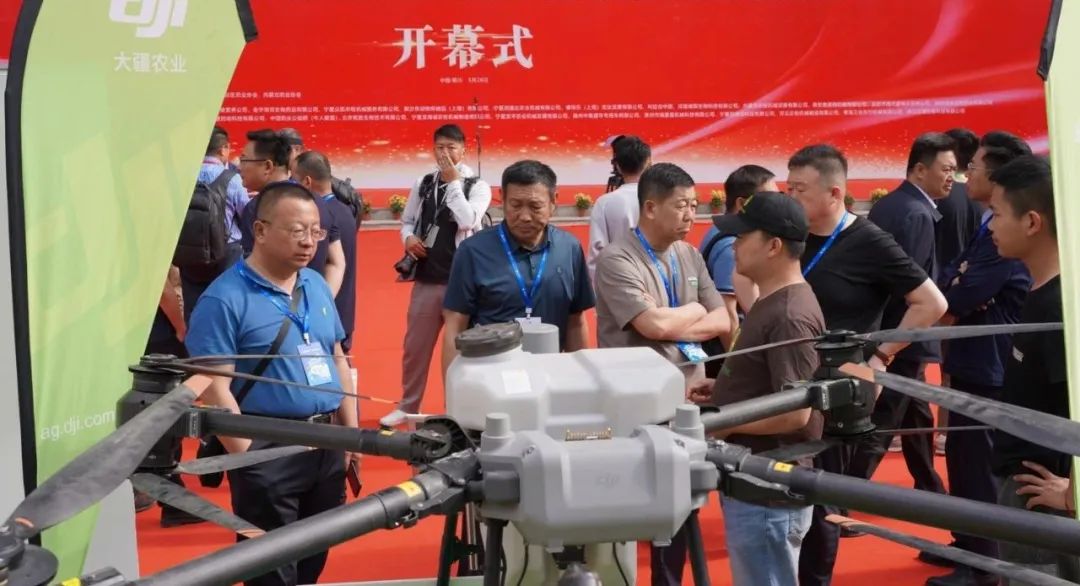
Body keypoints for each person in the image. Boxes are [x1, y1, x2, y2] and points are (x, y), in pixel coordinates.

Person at [785, 144, 947, 586]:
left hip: (839, 388)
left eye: (800, 189)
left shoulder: (870, 240)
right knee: (782, 494)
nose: (791, 197)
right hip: (787, 378)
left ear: (834, 193)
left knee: (822, 501)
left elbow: (931, 303)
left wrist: (879, 358)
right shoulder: (791, 235)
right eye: (788, 187)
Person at [186, 182, 359, 586]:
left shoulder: (315, 284)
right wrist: (250, 460)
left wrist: (351, 436)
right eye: (297, 230)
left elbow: (337, 357)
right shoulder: (224, 299)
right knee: (270, 572)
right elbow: (214, 387)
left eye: (315, 231)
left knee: (313, 559)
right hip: (266, 447)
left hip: (327, 443)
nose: (309, 242)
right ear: (260, 231)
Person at [593, 162, 729, 586]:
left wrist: (677, 320)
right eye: (681, 205)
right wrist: (694, 309)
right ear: (650, 208)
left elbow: (723, 319)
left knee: (681, 507)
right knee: (631, 506)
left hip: (690, 398)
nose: (691, 214)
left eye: (694, 205)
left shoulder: (690, 254)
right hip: (636, 404)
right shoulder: (618, 259)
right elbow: (652, 326)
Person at [698, 191, 825, 586]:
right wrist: (725, 388)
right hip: (758, 484)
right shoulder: (775, 302)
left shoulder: (789, 314)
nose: (733, 245)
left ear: (773, 246)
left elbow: (796, 412)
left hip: (770, 490)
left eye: (742, 236)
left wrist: (723, 422)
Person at [926, 131, 1033, 586]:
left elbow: (963, 293)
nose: (966, 175)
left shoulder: (1003, 232)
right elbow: (953, 280)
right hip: (972, 358)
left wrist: (960, 289)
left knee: (978, 465)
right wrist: (959, 287)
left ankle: (984, 565)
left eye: (973, 166)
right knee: (962, 459)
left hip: (991, 364)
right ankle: (968, 546)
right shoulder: (986, 220)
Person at [987, 155, 1078, 583]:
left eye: (997, 213)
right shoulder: (1042, 292)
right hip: (1030, 490)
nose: (989, 225)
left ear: (1032, 222)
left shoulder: (1060, 306)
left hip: (1044, 500)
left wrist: (1074, 492)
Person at [852, 133, 957, 497]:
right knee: (885, 417)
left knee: (915, 409)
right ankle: (845, 491)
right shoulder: (916, 214)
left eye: (955, 170)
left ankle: (929, 483)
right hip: (903, 335)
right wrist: (902, 337)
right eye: (946, 169)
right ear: (920, 170)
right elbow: (909, 284)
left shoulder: (891, 204)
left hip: (894, 331)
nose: (952, 177)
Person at [381, 124, 492, 427]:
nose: (445, 153)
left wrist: (454, 182)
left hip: (462, 282)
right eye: (439, 147)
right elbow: (407, 221)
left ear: (463, 150)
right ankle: (407, 405)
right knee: (415, 348)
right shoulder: (424, 183)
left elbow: (468, 220)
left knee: (459, 351)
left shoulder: (478, 185)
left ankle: (456, 409)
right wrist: (407, 238)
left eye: (451, 148)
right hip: (428, 278)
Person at [441, 160, 594, 375]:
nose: (524, 216)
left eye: (535, 206)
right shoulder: (472, 252)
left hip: (552, 375)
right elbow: (455, 326)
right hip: (490, 376)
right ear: (502, 199)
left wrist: (580, 379)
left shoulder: (569, 248)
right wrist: (454, 387)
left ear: (553, 201)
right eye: (515, 205)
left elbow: (575, 321)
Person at [238, 129, 346, 291]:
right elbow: (337, 263)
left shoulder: (258, 208)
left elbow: (253, 273)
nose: (239, 167)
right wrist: (322, 300)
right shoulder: (318, 201)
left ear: (267, 166)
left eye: (244, 160)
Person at [698, 164, 778, 367]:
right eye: (768, 199)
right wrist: (735, 366)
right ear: (742, 203)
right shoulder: (731, 246)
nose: (775, 205)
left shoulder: (719, 231)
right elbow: (729, 315)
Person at [178, 126, 251, 323]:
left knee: (194, 307)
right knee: (228, 306)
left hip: (189, 251)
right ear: (223, 149)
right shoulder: (231, 178)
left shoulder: (183, 176)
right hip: (226, 252)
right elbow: (246, 213)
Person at [292, 151, 358, 353]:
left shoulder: (321, 216)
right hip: (342, 314)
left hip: (323, 318)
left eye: (293, 180)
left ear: (307, 181)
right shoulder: (344, 210)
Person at [587, 135, 651, 283]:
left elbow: (597, 251)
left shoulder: (604, 203)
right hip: (657, 281)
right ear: (648, 163)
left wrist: (598, 288)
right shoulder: (661, 198)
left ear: (618, 167)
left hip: (618, 281)